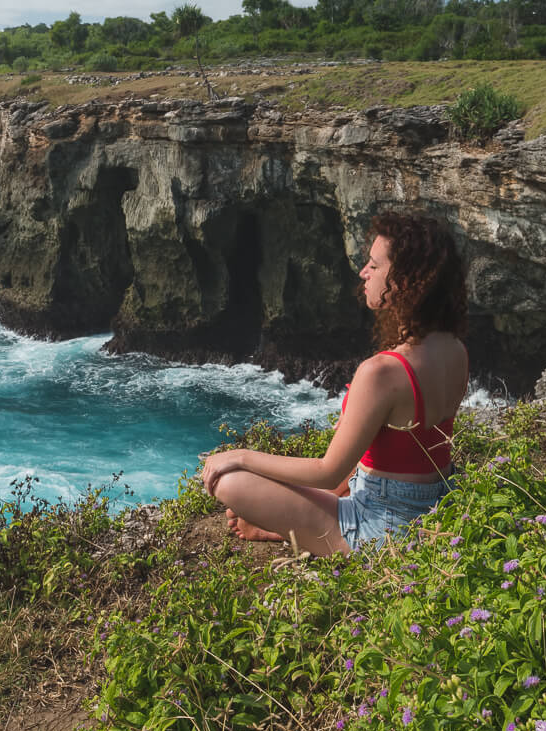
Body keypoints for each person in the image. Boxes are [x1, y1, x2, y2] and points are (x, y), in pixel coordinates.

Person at [201, 212, 469, 555]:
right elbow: (385, 457)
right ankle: (298, 527)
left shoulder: (382, 372)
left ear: (403, 281)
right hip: (435, 504)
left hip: (382, 527)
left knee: (228, 482)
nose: (364, 273)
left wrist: (241, 455)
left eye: (374, 265)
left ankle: (295, 533)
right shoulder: (456, 349)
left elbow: (327, 472)